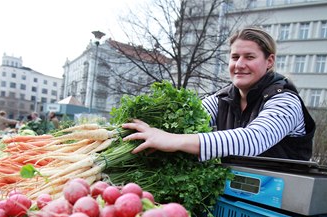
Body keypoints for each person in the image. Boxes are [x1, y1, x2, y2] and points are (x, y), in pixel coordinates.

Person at [123, 27, 315, 162]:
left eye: (249, 57)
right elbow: (187, 120)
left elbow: (253, 139)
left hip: (281, 204)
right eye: (235, 57)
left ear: (269, 61)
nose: (239, 64)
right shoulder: (223, 98)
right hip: (234, 195)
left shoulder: (285, 100)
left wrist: (172, 139)